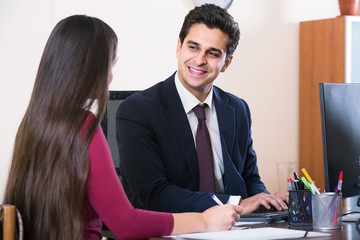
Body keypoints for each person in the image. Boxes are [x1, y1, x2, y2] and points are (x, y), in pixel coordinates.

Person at [2, 15, 243, 240]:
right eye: (110, 65)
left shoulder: (34, 123)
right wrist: (204, 221)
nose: (110, 77)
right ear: (91, 68)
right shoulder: (84, 125)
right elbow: (124, 222)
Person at [116, 4, 289, 214]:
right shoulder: (138, 110)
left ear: (226, 63)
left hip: (236, 229)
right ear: (179, 47)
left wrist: (266, 200)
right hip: (175, 229)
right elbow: (153, 194)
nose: (199, 60)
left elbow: (249, 179)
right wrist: (236, 203)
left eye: (213, 53)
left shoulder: (237, 109)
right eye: (193, 47)